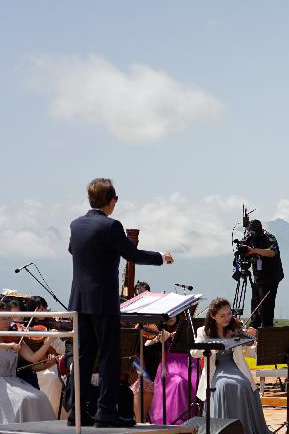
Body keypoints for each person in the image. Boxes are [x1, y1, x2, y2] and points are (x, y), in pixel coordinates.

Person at [67, 178, 173, 427]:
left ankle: (76, 411)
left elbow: (74, 250)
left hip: (80, 300)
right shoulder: (111, 226)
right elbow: (132, 254)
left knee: (84, 356)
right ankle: (106, 411)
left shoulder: (76, 224)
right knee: (109, 356)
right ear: (111, 199)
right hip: (103, 300)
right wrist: (161, 257)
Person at [191, 298, 269, 434]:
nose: (227, 318)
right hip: (215, 370)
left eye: (229, 314)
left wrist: (258, 345)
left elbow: (248, 351)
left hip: (236, 367)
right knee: (223, 385)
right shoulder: (203, 331)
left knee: (243, 384)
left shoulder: (236, 329)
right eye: (222, 316)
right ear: (213, 316)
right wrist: (216, 345)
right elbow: (194, 352)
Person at [0, 300, 56, 423]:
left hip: (12, 381)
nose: (8, 322)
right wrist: (7, 345)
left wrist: (48, 342)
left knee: (40, 397)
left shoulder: (14, 337)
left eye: (9, 318)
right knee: (24, 399)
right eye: (3, 319)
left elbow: (33, 358)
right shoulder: (6, 342)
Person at [147, 315, 199, 425]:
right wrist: (158, 340)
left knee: (196, 380)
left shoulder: (186, 327)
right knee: (178, 382)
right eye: (167, 314)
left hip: (188, 363)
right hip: (169, 365)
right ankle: (177, 419)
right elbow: (146, 343)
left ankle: (193, 417)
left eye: (173, 313)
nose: (170, 317)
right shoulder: (159, 330)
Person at [243, 219, 284, 328]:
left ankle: (266, 330)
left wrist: (254, 250)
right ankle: (253, 328)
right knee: (255, 307)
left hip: (270, 278)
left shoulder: (268, 237)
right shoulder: (250, 239)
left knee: (266, 309)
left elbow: (272, 252)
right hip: (258, 278)